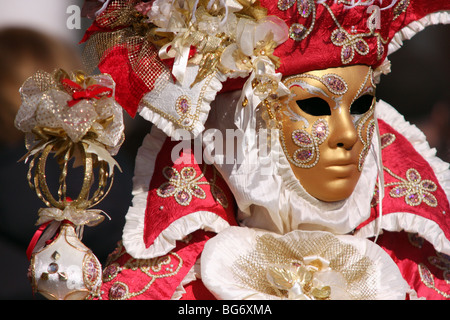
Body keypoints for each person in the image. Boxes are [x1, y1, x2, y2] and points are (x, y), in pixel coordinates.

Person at [19, 0, 450, 300]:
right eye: (314, 105)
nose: (347, 135)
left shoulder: (425, 274)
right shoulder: (159, 287)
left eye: (361, 106)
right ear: (243, 126)